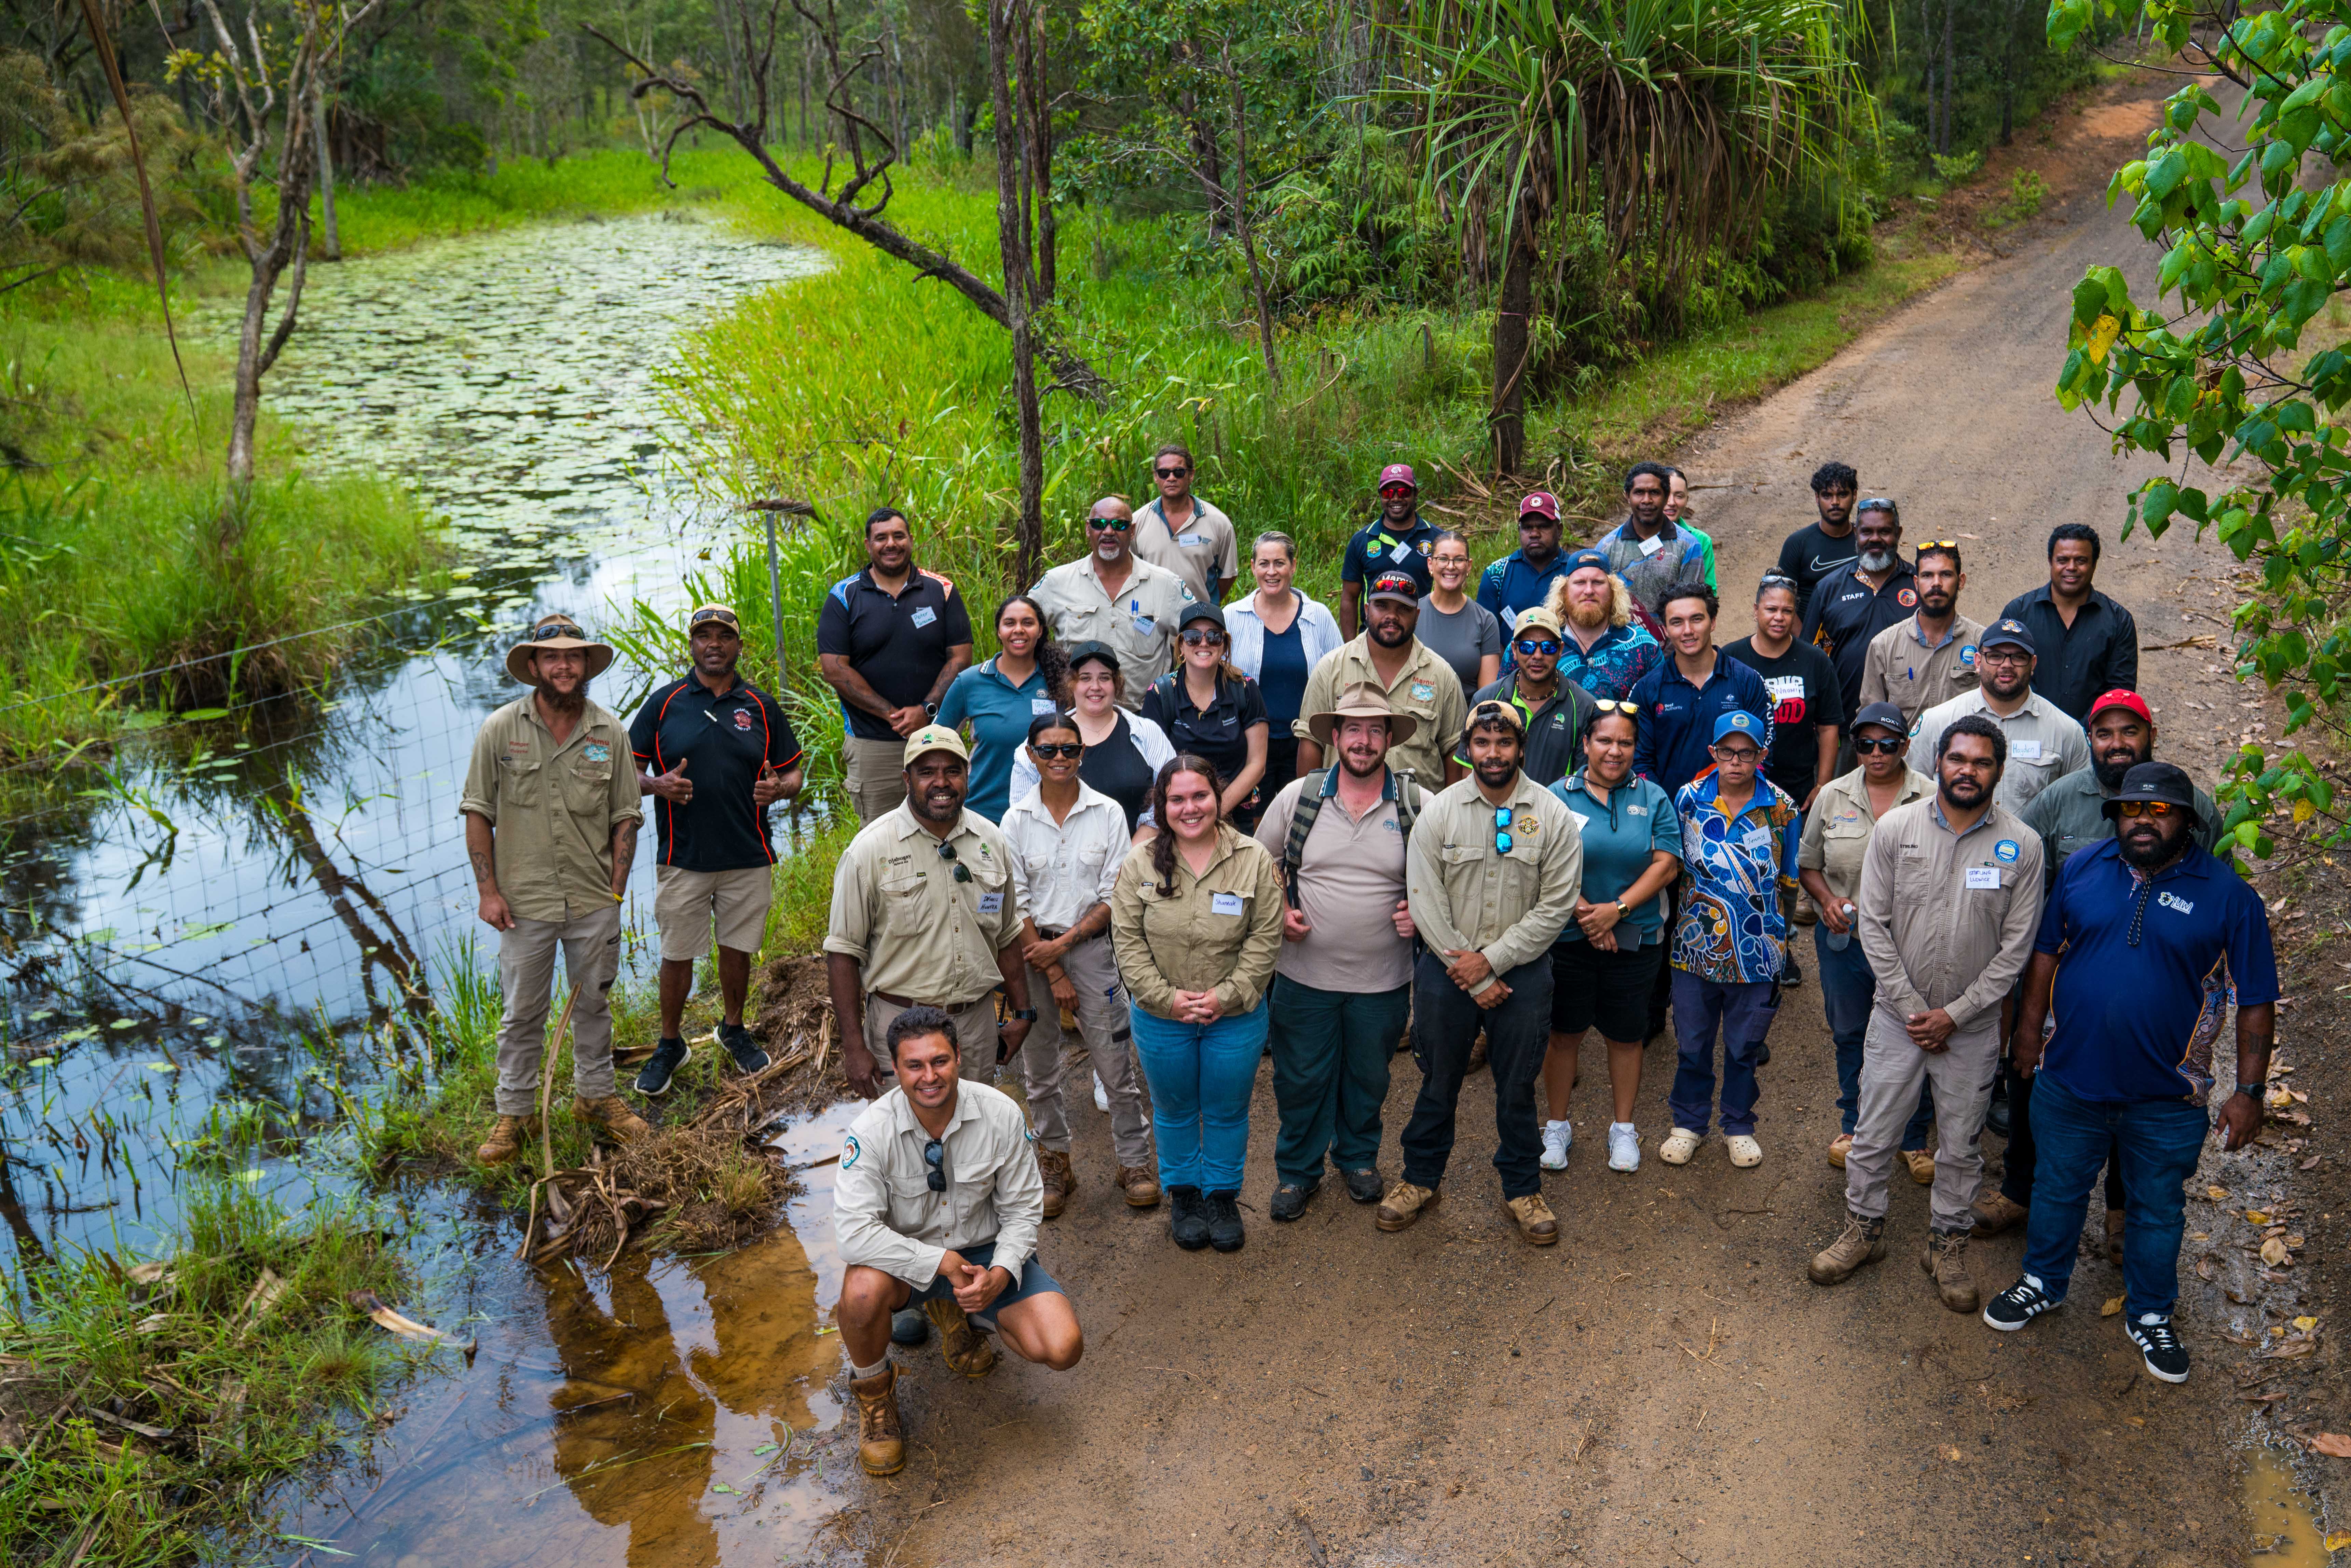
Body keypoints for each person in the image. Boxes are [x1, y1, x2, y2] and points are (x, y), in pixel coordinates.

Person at [1983, 762, 2279, 1386]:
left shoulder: (2230, 898)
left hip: (2167, 1097)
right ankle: (2044, 1281)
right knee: (2057, 1187)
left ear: (2187, 821)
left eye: (2159, 811)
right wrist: (2027, 1036)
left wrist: (2248, 1092)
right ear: (2113, 816)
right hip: (2069, 1081)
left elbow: (2255, 999)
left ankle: (2149, 1313)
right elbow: (2045, 955)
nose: (2142, 821)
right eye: (2130, 810)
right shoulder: (2084, 869)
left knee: (2156, 1210)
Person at [1807, 717, 2045, 1312]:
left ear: (1998, 769)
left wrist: (1956, 1015)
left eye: (1981, 762)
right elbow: (1873, 924)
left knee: (1961, 1146)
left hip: (1969, 1030)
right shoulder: (1895, 829)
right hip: (1896, 1018)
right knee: (1873, 1133)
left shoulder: (2024, 845)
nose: (1968, 770)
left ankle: (1946, 1244)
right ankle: (1862, 1231)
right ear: (1938, 761)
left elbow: (2016, 949)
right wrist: (1916, 1011)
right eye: (1958, 759)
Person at [1978, 691, 2223, 1238]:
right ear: (2089, 740)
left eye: (2129, 731)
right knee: (2030, 1082)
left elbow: (2218, 894)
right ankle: (2020, 1190)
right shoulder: (2058, 800)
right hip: (2060, 979)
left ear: (2150, 735)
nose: (2117, 744)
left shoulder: (2194, 806)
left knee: (2136, 1092)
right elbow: (2019, 878)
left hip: (2155, 983)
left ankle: (2121, 1212)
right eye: (2104, 733)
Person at [834, 1007, 1081, 1477]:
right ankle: (876, 1394)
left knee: (1062, 1346)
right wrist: (938, 1261)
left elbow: (1024, 1209)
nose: (930, 1076)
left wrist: (1003, 1270)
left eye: (940, 1061)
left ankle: (965, 1312)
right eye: (915, 1065)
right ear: (895, 1068)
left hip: (984, 1254)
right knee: (861, 1293)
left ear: (959, 1057)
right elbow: (853, 1233)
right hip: (907, 1262)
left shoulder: (1001, 1113)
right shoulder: (870, 1130)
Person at [1382, 700, 1583, 1244]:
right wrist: (1467, 967)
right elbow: (1423, 897)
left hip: (1522, 975)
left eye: (1504, 742)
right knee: (1436, 1080)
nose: (1493, 753)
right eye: (1482, 742)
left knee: (1516, 1087)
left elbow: (1557, 905)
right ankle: (1419, 1180)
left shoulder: (1553, 816)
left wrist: (1491, 964)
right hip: (1445, 974)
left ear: (1520, 748)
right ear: (1466, 749)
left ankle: (1522, 1189)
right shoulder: (1440, 812)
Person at [462, 615, 649, 1163]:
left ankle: (596, 1098)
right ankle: (515, 1113)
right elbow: (478, 813)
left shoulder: (609, 732)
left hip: (594, 901)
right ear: (535, 667)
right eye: (552, 658)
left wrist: (615, 892)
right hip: (524, 903)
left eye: (573, 657)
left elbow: (626, 816)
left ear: (586, 665)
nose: (563, 666)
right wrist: (488, 892)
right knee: (522, 1011)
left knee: (594, 1004)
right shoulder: (500, 729)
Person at [1253, 685, 1423, 1222]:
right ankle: (1298, 1171)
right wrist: (1279, 909)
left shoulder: (1418, 803)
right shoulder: (1299, 797)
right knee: (1299, 1075)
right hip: (1303, 975)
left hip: (1385, 976)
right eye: (1353, 728)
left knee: (1369, 1073)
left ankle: (1358, 1158)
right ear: (1335, 736)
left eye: (1376, 730)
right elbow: (1256, 867)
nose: (1364, 740)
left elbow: (1448, 876)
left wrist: (1420, 911)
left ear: (1390, 739)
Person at [1109, 756, 1286, 1253]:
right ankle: (1185, 1194)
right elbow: (1126, 942)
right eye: (1177, 799)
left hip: (1236, 1016)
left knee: (1228, 1110)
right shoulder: (1138, 864)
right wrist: (1167, 1000)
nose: (1190, 808)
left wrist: (1225, 996)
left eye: (1200, 796)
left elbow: (1265, 940)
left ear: (1218, 796)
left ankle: (1222, 1195)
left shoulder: (1252, 858)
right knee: (1174, 1108)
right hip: (1162, 1018)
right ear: (1161, 806)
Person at [629, 604, 804, 1094]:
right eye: (704, 636)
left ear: (738, 646)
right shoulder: (664, 704)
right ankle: (670, 1043)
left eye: (723, 636)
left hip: (748, 855)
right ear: (691, 645)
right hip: (683, 856)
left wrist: (781, 789)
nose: (714, 644)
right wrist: (657, 784)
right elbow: (625, 769)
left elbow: (793, 770)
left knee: (737, 947)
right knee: (677, 952)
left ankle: (733, 1028)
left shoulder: (761, 706)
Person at [824, 726, 1034, 1100]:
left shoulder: (992, 840)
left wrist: (1022, 1014)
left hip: (976, 1024)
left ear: (967, 777)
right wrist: (853, 1047)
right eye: (927, 773)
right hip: (901, 1026)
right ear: (907, 780)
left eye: (952, 771)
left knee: (972, 1133)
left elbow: (1005, 935)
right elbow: (843, 953)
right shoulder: (869, 851)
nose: (942, 783)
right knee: (908, 1144)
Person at [1001, 714, 1159, 1214]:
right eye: (1047, 751)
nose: (1059, 759)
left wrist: (1066, 947)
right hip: (1033, 952)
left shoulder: (1109, 813)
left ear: (1082, 753)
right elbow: (1016, 901)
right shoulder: (1015, 820)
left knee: (1115, 1065)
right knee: (1040, 1070)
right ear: (1031, 756)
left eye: (1069, 749)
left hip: (1092, 949)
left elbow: (1114, 892)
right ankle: (1054, 1164)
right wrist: (1052, 969)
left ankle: (1133, 1162)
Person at [1797, 702, 1938, 1173]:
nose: (1876, 754)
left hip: (1911, 944)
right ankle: (1855, 1125)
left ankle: (1913, 1137)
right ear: (1854, 746)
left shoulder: (1933, 798)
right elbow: (1809, 863)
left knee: (1913, 1034)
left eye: (1888, 744)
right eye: (1865, 744)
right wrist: (1827, 899)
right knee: (1851, 1034)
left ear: (1905, 746)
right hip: (1847, 941)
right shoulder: (1832, 796)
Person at [1543, 703, 1681, 1174]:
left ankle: (1623, 1129)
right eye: (1604, 740)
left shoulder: (1654, 797)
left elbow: (1666, 864)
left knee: (1626, 1035)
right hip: (1567, 936)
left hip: (1635, 938)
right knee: (1564, 1033)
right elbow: (1542, 864)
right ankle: (1556, 1126)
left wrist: (1615, 910)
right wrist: (1588, 915)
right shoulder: (1556, 796)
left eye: (1625, 742)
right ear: (1585, 744)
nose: (1614, 750)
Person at [1661, 710, 1798, 1168]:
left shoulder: (1782, 808)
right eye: (1727, 751)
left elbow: (1789, 880)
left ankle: (1738, 1124)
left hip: (1757, 953)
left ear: (1761, 754)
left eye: (1746, 752)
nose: (1735, 761)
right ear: (1712, 752)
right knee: (1691, 1042)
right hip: (1694, 948)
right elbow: (1672, 866)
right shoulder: (1687, 800)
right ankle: (1689, 1122)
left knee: (1743, 1046)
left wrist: (1782, 944)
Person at [817, 507, 975, 823]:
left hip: (937, 733)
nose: (891, 544)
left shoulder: (941, 590)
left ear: (911, 540)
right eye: (881, 538)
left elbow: (960, 658)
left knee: (945, 822)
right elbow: (835, 669)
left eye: (898, 536)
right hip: (872, 742)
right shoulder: (844, 596)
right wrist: (892, 714)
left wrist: (926, 710)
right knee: (879, 838)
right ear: (867, 545)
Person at [1293, 570, 1470, 788]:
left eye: (1403, 609)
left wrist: (1445, 813)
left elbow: (1454, 751)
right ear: (1367, 611)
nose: (1392, 616)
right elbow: (1311, 742)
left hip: (1419, 815)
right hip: (1342, 810)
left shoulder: (1442, 676)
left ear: (1417, 616)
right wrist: (1311, 806)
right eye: (1382, 606)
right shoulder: (1331, 668)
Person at [1028, 495, 1194, 709]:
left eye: (1119, 525)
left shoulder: (1166, 585)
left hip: (1144, 716)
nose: (1108, 531)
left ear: (1132, 531)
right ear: (1089, 529)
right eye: (1099, 524)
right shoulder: (1057, 582)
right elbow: (1020, 628)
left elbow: (1201, 636)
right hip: (1075, 719)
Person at [1910, 619, 2089, 815]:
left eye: (2019, 657)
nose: (2007, 665)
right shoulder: (1937, 721)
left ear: (2033, 664)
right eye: (1995, 656)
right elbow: (1911, 790)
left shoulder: (2066, 731)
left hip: (2032, 845)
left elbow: (2080, 804)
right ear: (1978, 662)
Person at [1225, 531, 1343, 807]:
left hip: (1306, 744)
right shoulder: (1232, 616)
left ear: (1293, 566)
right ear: (1252, 567)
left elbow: (1341, 674)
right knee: (1255, 822)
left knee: (1303, 817)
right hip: (1249, 744)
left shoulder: (1319, 616)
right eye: (1263, 563)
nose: (1271, 572)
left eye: (1279, 563)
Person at [1009, 643, 1176, 836]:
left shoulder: (1147, 733)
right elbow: (1022, 817)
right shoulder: (1038, 744)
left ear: (1117, 684)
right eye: (1085, 678)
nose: (1095, 687)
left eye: (1104, 678)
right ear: (1072, 685)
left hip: (1139, 855)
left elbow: (1172, 793)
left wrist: (1131, 857)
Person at [934, 594, 1067, 822]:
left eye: (1027, 623)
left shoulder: (1059, 682)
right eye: (1009, 623)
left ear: (1041, 631)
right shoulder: (970, 682)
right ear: (998, 631)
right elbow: (936, 741)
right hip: (983, 814)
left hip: (1047, 815)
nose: (1018, 630)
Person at [1630, 583, 1774, 792]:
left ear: (1713, 622)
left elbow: (1763, 753)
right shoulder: (1646, 690)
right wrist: (1666, 811)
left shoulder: (1748, 682)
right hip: (1668, 818)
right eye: (1677, 622)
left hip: (1736, 814)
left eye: (1696, 619)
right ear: (1666, 630)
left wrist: (1728, 805)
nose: (1688, 631)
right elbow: (1639, 761)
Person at [1140, 603, 1270, 827]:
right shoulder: (1161, 694)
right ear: (1181, 645)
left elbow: (1257, 764)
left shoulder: (1245, 689)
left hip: (1234, 813)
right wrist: (1190, 811)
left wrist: (1215, 812)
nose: (1203, 643)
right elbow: (1153, 766)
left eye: (1213, 637)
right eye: (1192, 637)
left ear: (1224, 644)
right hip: (1181, 814)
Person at [1723, 573, 1842, 811]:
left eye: (1787, 611)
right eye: (1771, 610)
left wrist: (1822, 785)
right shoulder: (1731, 658)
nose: (1779, 618)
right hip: (1739, 788)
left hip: (1799, 790)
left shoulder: (1815, 661)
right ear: (1756, 610)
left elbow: (1828, 727)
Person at [1999, 523, 2139, 723]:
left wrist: (2082, 731)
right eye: (2063, 560)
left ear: (2094, 564)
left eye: (2081, 561)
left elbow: (2119, 691)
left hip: (2092, 737)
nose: (2071, 568)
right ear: (2050, 562)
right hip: (2027, 730)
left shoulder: (2119, 621)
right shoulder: (2018, 615)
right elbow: (2005, 675)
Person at [1800, 498, 1916, 737]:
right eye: (1867, 532)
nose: (1875, 539)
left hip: (1910, 726)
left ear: (1898, 533)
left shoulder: (1919, 584)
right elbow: (1812, 656)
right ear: (1855, 533)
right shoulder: (1829, 589)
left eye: (1884, 531)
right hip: (1843, 726)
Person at [1466, 605, 1598, 787]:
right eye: (1527, 647)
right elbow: (1468, 770)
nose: (1537, 655)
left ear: (1560, 650)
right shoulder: (1486, 699)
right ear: (1514, 650)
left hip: (1555, 813)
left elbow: (1585, 781)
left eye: (1548, 648)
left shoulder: (1584, 707)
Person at [1858, 542, 1983, 725]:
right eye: (1927, 576)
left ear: (1961, 581)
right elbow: (1870, 720)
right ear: (1916, 583)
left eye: (1946, 575)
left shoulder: (1983, 643)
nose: (1936, 583)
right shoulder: (1884, 646)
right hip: (1905, 754)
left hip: (1962, 753)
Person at [1543, 547, 1661, 702]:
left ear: (1613, 591)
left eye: (1598, 583)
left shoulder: (1644, 646)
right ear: (1563, 591)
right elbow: (1504, 702)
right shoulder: (1536, 644)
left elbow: (1660, 711)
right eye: (1580, 583)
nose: (1589, 590)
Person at [1597, 462, 1711, 621]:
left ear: (1665, 496)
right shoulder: (1606, 548)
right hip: (1621, 644)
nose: (1647, 500)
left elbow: (1691, 607)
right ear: (1627, 496)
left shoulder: (1688, 546)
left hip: (1673, 644)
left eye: (1655, 493)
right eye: (1639, 493)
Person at [1340, 462, 1442, 639]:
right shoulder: (1362, 540)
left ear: (1415, 495)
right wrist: (1350, 647)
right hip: (1374, 638)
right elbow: (1349, 597)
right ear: (1380, 496)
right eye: (1388, 493)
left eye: (1403, 492)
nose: (1395, 499)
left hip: (1425, 638)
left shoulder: (1437, 539)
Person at [1131, 441, 1239, 605]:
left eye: (1179, 472)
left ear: (1192, 475)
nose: (1171, 478)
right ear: (1155, 477)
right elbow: (1128, 570)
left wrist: (1205, 603)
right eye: (1164, 473)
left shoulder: (1219, 523)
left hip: (1198, 622)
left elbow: (1228, 575)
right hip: (1152, 619)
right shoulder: (1137, 522)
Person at [1417, 529, 1504, 703]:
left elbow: (1487, 698)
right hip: (1416, 719)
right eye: (1443, 559)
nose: (1451, 566)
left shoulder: (1485, 622)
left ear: (1469, 566)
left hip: (1466, 723)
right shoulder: (1412, 614)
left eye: (1459, 560)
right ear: (1430, 564)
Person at [1477, 491, 1574, 639]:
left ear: (1559, 531)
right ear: (1519, 531)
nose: (1535, 534)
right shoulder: (1497, 575)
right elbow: (1486, 639)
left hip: (1565, 662)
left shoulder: (1576, 573)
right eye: (1528, 528)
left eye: (1543, 527)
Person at [1774, 462, 1862, 617]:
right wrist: (1806, 641)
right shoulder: (1798, 544)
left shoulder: (1867, 542)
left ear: (1854, 495)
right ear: (1817, 498)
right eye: (1827, 496)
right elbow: (1783, 602)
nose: (1835, 502)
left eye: (1842, 494)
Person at [1661, 467, 1720, 592]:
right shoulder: (1639, 537)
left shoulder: (1701, 540)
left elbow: (1710, 592)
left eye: (1679, 496)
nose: (1671, 503)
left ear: (1687, 499)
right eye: (1666, 495)